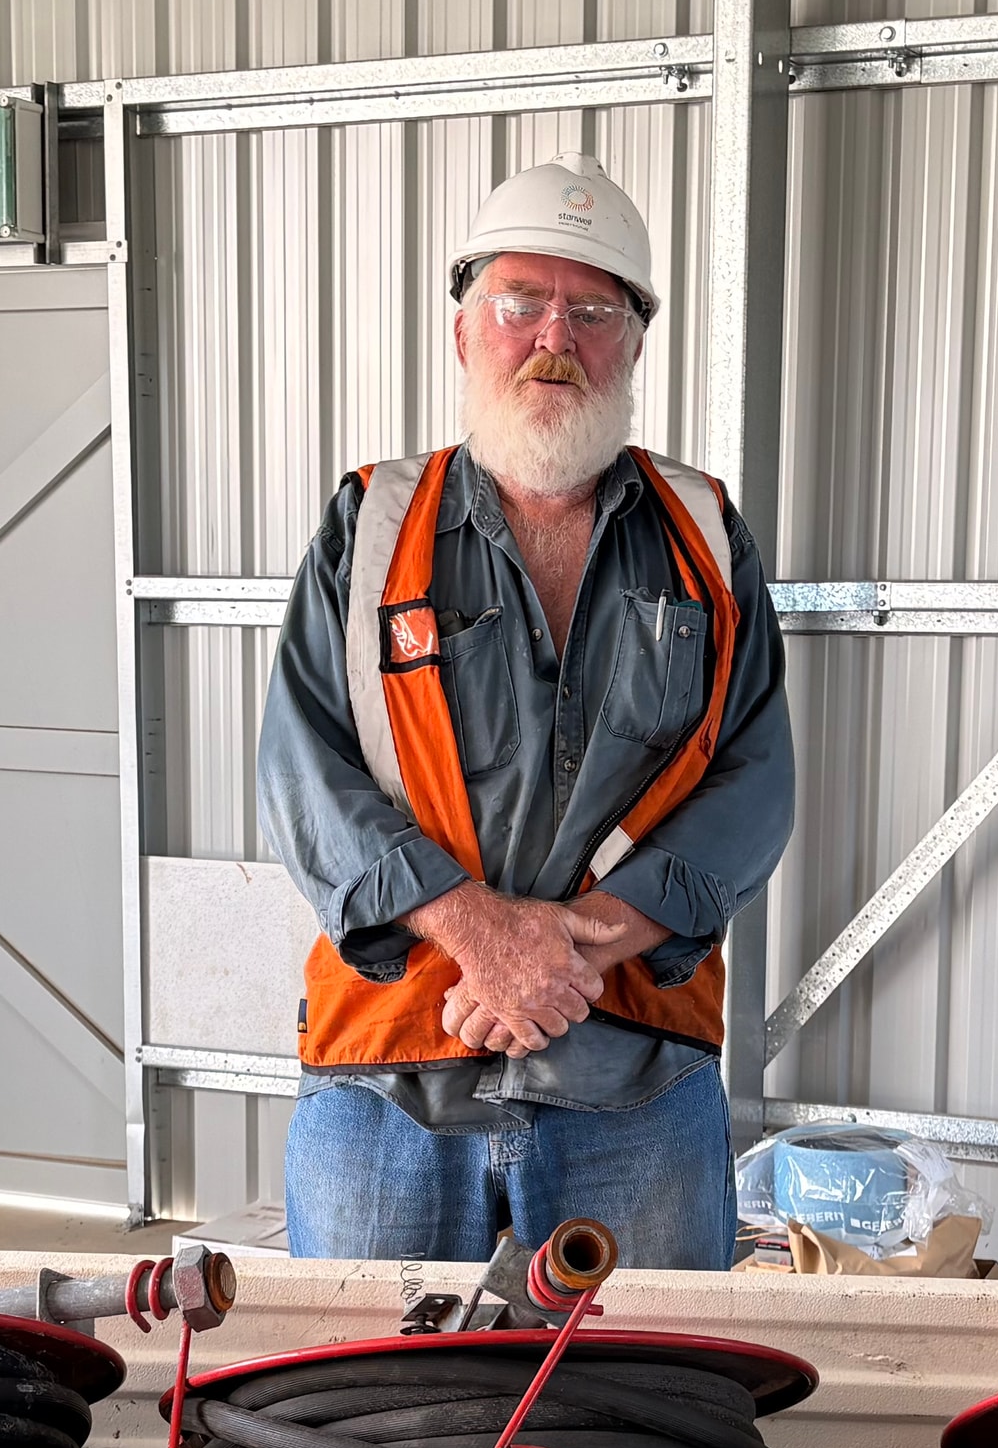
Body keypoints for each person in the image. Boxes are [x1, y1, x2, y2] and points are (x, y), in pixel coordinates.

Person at [256, 155, 792, 1270]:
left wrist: (566, 955)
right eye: (522, 302)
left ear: (635, 345)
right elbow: (304, 769)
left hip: (636, 1080)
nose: (556, 335)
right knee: (367, 1419)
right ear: (465, 333)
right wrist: (484, 939)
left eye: (593, 309)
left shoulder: (705, 533)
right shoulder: (370, 525)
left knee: (642, 1411)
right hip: (390, 1069)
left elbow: (755, 780)